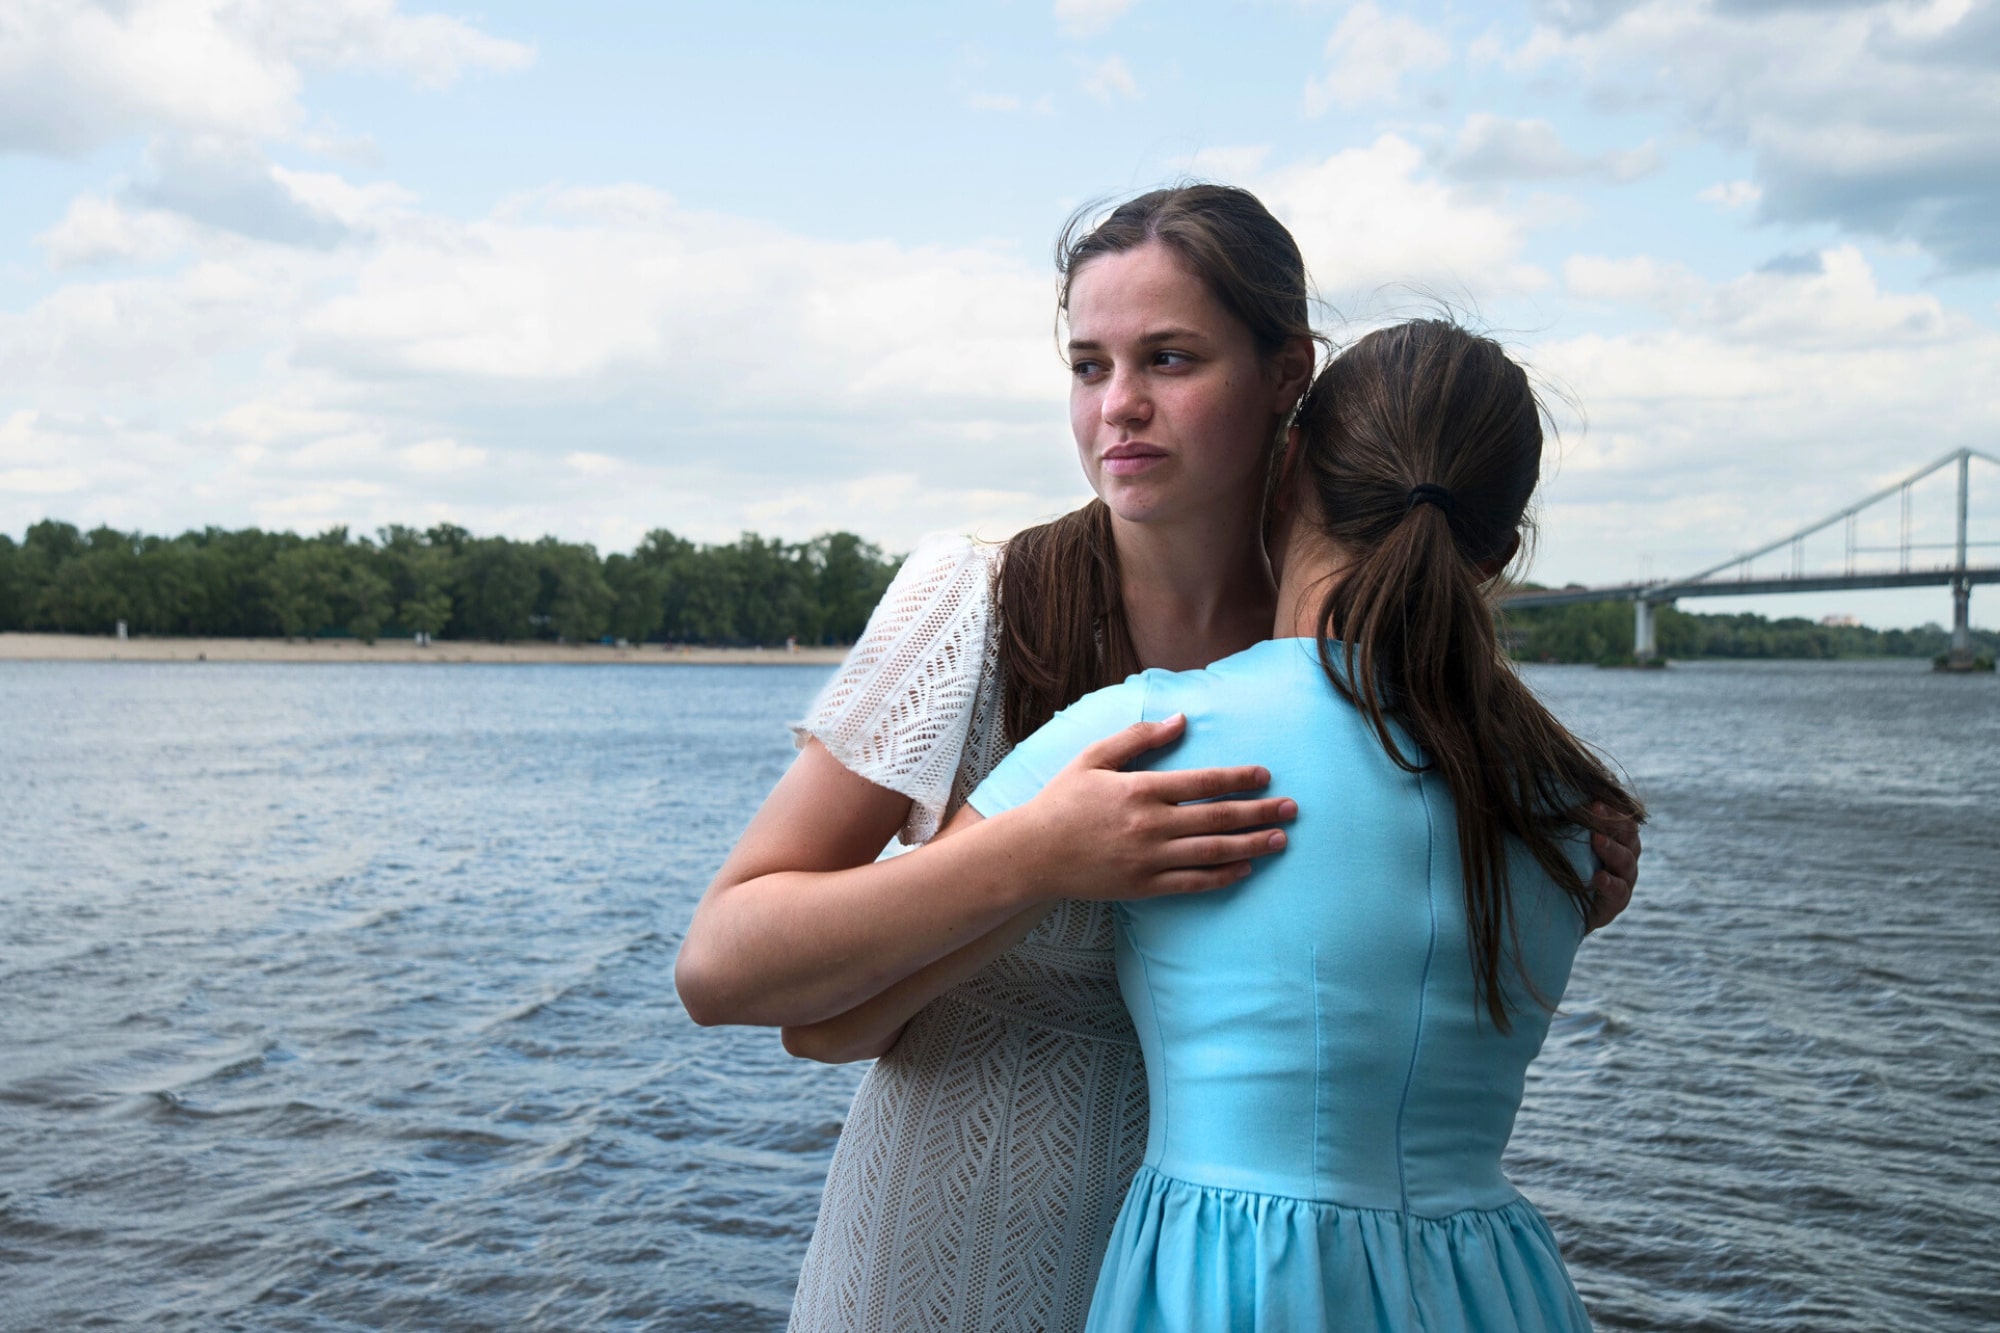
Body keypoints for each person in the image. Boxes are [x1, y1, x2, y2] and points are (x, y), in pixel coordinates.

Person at [673, 188, 1643, 1333]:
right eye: (1088, 366)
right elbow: (724, 966)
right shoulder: (978, 603)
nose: (1119, 408)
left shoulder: (1374, 681)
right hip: (949, 1255)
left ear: (1288, 374)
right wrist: (1034, 855)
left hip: (1217, 1287)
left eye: (1168, 359)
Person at [961, 319, 1643, 1330]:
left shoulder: (1154, 730)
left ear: (1286, 479)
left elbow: (831, 991)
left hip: (1239, 1288)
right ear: (1498, 551)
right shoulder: (1565, 803)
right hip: (1504, 1288)